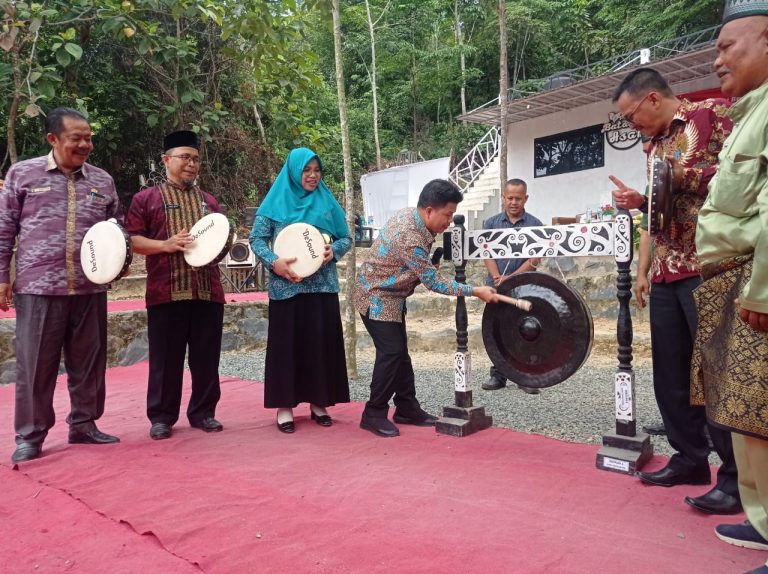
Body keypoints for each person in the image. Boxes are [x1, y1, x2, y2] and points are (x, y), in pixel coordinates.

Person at [609, 68, 741, 515]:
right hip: (667, 270)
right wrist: (643, 264)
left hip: (709, 265)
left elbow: (740, 178)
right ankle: (689, 460)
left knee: (714, 372)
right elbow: (656, 215)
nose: (633, 126)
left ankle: (736, 479)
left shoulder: (713, 114)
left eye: (632, 116)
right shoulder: (652, 147)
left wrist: (681, 177)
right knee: (670, 374)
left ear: (651, 99)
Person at [691, 4, 768, 569]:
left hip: (756, 284)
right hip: (734, 281)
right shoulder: (748, 112)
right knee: (747, 414)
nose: (717, 60)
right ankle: (763, 520)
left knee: (762, 413)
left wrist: (763, 291)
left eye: (726, 47)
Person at [0, 107, 121, 463]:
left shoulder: (102, 180)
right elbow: (4, 230)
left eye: (89, 139)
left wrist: (118, 264)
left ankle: (84, 424)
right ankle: (30, 435)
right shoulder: (23, 175)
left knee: (89, 362)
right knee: (36, 365)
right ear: (53, 138)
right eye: (76, 139)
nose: (84, 145)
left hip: (90, 287)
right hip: (39, 288)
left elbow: (117, 229)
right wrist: (2, 277)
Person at [352, 179, 499, 437]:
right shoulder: (409, 235)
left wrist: (428, 264)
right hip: (376, 296)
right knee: (391, 353)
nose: (450, 222)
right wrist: (476, 291)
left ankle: (406, 407)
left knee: (400, 353)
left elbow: (416, 268)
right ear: (430, 210)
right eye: (448, 215)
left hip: (393, 295)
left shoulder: (416, 218)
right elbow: (433, 282)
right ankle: (373, 413)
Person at [125, 130, 225, 440]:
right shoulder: (146, 199)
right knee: (165, 360)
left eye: (196, 159)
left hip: (207, 290)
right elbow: (132, 240)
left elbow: (220, 239)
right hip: (165, 292)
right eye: (185, 158)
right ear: (166, 160)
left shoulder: (209, 202)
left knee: (206, 358)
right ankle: (161, 417)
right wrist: (165, 245)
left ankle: (204, 412)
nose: (191, 164)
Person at [249, 148, 351, 433]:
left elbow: (346, 238)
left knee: (320, 345)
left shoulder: (327, 202)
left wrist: (334, 251)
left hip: (322, 288)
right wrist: (274, 262)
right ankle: (284, 407)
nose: (312, 176)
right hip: (287, 288)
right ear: (294, 171)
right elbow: (256, 239)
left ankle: (320, 402)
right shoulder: (275, 202)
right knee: (287, 347)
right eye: (306, 170)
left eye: (317, 170)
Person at [481, 178, 543, 393]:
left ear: (526, 198)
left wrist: (512, 278)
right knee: (498, 330)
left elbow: (536, 258)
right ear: (503, 198)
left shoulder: (535, 225)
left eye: (518, 198)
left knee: (525, 329)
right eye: (510, 198)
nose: (514, 202)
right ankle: (498, 375)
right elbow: (486, 253)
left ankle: (524, 378)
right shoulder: (490, 224)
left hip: (525, 286)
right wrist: (497, 277)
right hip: (496, 285)